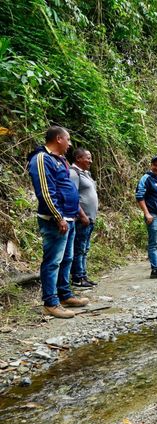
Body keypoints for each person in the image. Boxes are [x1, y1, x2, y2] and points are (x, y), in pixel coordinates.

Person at [27, 126, 89, 319]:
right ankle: (50, 302)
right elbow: (45, 191)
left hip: (68, 218)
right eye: (68, 140)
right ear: (59, 139)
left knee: (67, 259)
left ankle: (64, 294)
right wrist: (58, 216)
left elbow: (65, 186)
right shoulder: (41, 159)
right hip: (55, 220)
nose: (70, 144)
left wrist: (74, 213)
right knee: (53, 261)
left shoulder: (59, 159)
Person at [69, 148, 99, 288]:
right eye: (88, 158)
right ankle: (77, 278)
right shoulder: (73, 173)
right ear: (78, 158)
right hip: (82, 219)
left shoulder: (85, 173)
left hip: (89, 218)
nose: (90, 161)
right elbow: (72, 196)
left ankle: (83, 275)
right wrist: (82, 215)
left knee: (85, 249)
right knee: (79, 248)